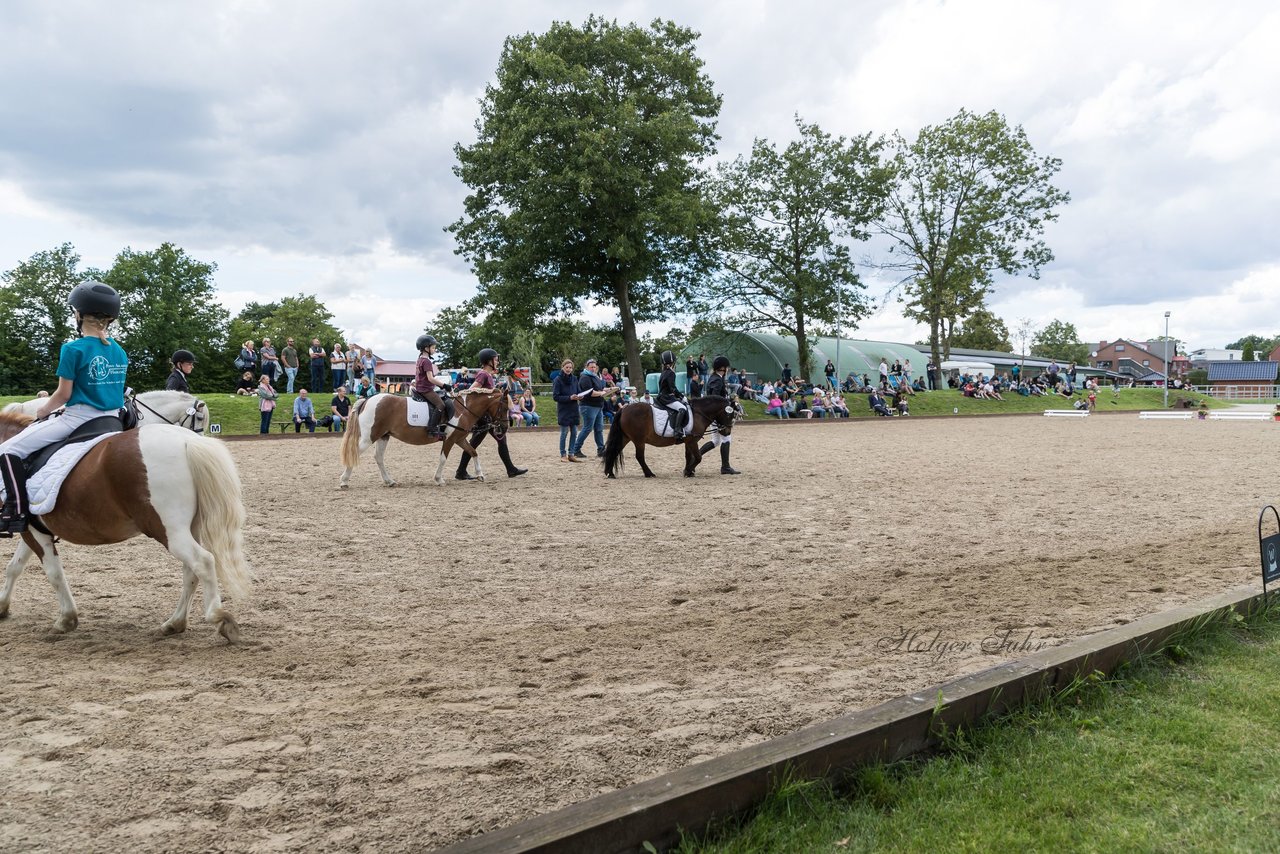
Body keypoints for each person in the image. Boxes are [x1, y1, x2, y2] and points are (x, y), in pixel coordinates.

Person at [1, 281, 128, 536]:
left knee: (8, 449)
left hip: (79, 418)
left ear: (79, 314)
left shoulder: (72, 349)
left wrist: (43, 411)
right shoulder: (119, 350)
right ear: (109, 319)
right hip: (113, 420)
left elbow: (63, 394)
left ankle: (15, 510)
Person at [454, 348, 527, 480]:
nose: (497, 361)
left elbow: (501, 387)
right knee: (482, 442)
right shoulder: (483, 375)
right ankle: (461, 471)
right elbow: (472, 390)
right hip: (485, 416)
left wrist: (508, 375)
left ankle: (461, 471)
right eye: (495, 359)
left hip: (488, 416)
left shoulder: (488, 374)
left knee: (495, 441)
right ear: (489, 361)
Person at [695, 355, 740, 474]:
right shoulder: (716, 380)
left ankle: (694, 458)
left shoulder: (714, 378)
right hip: (718, 415)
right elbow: (715, 399)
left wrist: (730, 401)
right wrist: (728, 403)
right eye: (727, 368)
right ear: (723, 368)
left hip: (715, 415)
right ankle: (725, 467)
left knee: (715, 441)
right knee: (726, 438)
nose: (728, 370)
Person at [411, 334, 451, 438]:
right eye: (433, 347)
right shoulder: (427, 361)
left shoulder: (420, 360)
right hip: (426, 389)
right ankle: (432, 429)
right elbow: (431, 379)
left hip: (420, 388)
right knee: (441, 405)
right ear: (426, 348)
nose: (435, 350)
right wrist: (444, 385)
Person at [569, 358, 608, 460]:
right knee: (587, 428)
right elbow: (590, 393)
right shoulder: (585, 377)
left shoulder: (595, 377)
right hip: (588, 406)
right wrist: (601, 393)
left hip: (598, 406)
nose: (593, 369)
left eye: (594, 367)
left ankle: (601, 449)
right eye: (591, 367)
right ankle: (576, 449)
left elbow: (599, 389)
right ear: (587, 367)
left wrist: (609, 390)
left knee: (599, 429)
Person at [552, 358, 582, 462]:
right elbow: (555, 397)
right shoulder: (557, 380)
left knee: (574, 432)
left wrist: (579, 396)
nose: (569, 369)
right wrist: (569, 397)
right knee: (564, 432)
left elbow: (578, 391)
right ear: (563, 367)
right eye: (567, 367)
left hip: (574, 408)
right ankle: (563, 454)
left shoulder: (574, 379)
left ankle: (571, 454)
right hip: (564, 409)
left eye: (570, 367)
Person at [656, 350, 689, 440]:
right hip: (667, 398)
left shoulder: (663, 372)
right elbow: (673, 389)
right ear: (672, 363)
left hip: (662, 397)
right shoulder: (671, 373)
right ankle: (677, 431)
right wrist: (682, 397)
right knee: (682, 408)